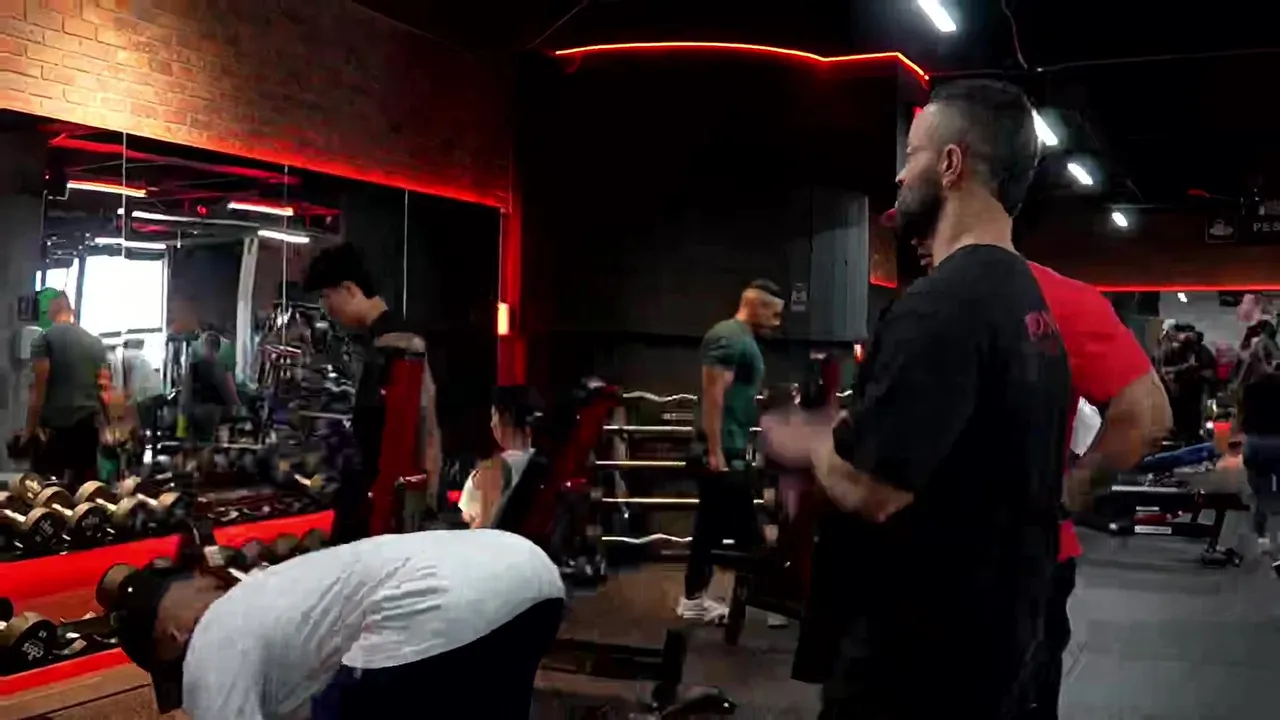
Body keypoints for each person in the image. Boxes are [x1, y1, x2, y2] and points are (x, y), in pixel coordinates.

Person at [804, 79, 1070, 719]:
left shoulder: (943, 306)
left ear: (951, 164)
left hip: (919, 662)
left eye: (912, 154)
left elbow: (875, 491)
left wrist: (812, 438)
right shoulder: (1026, 299)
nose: (900, 175)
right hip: (997, 641)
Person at [910, 231, 1171, 720]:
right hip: (929, 561)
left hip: (1009, 562)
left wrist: (1066, 492)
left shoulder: (1052, 297)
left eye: (926, 224)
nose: (914, 242)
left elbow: (1148, 414)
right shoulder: (923, 303)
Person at [114, 528, 565, 719]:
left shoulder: (209, 641)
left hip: (440, 607)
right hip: (531, 577)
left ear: (171, 635)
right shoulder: (276, 589)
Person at [303, 243, 441, 544]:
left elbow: (419, 429)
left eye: (326, 296)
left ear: (349, 289)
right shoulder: (385, 341)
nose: (326, 308)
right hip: (379, 500)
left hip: (379, 507)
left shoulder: (397, 344)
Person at [678, 279, 785, 623]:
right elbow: (714, 397)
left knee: (710, 527)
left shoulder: (743, 340)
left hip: (731, 446)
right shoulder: (728, 337)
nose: (777, 322)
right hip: (721, 450)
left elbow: (736, 396)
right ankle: (773, 600)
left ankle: (695, 598)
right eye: (773, 313)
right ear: (755, 305)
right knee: (748, 533)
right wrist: (715, 451)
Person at [23, 291, 110, 486]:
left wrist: (29, 430)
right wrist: (107, 427)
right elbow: (104, 390)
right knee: (84, 491)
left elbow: (39, 389)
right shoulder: (96, 343)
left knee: (47, 493)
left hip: (56, 429)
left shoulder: (44, 339)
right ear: (71, 311)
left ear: (51, 311)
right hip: (87, 429)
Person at [460, 385, 542, 528]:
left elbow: (486, 525)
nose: (492, 424)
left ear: (505, 417)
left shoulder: (494, 468)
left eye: (494, 415)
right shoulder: (542, 462)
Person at [181, 332, 240, 443]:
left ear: (203, 347)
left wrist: (182, 424)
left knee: (193, 443)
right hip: (212, 414)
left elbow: (184, 396)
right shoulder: (222, 369)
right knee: (208, 442)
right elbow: (231, 396)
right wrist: (236, 409)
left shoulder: (191, 368)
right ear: (218, 349)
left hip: (192, 413)